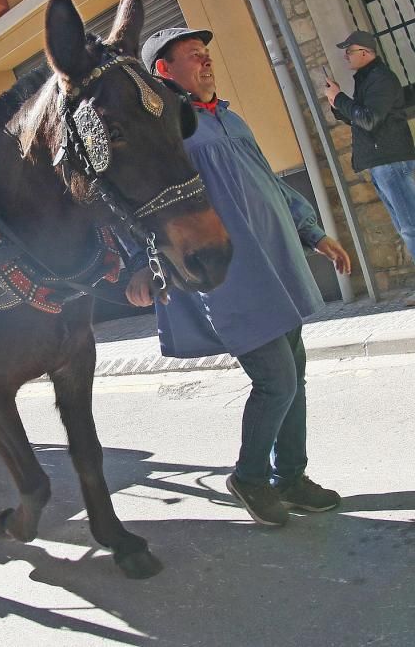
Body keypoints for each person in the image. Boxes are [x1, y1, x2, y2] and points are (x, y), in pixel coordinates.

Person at [133, 28, 352, 527]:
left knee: (293, 375)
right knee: (275, 379)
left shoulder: (229, 118)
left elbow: (270, 182)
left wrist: (314, 233)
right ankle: (250, 477)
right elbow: (139, 200)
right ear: (164, 71)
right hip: (229, 276)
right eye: (193, 57)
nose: (206, 61)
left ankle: (291, 477)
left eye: (207, 53)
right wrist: (138, 264)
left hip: (277, 265)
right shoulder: (168, 132)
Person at [325, 30, 415, 304]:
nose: (345, 56)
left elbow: (369, 119)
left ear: (365, 52)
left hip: (391, 162)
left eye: (349, 51)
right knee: (405, 226)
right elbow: (358, 118)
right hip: (381, 164)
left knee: (410, 226)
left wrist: (341, 98)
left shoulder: (381, 79)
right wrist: (337, 104)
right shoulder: (367, 80)